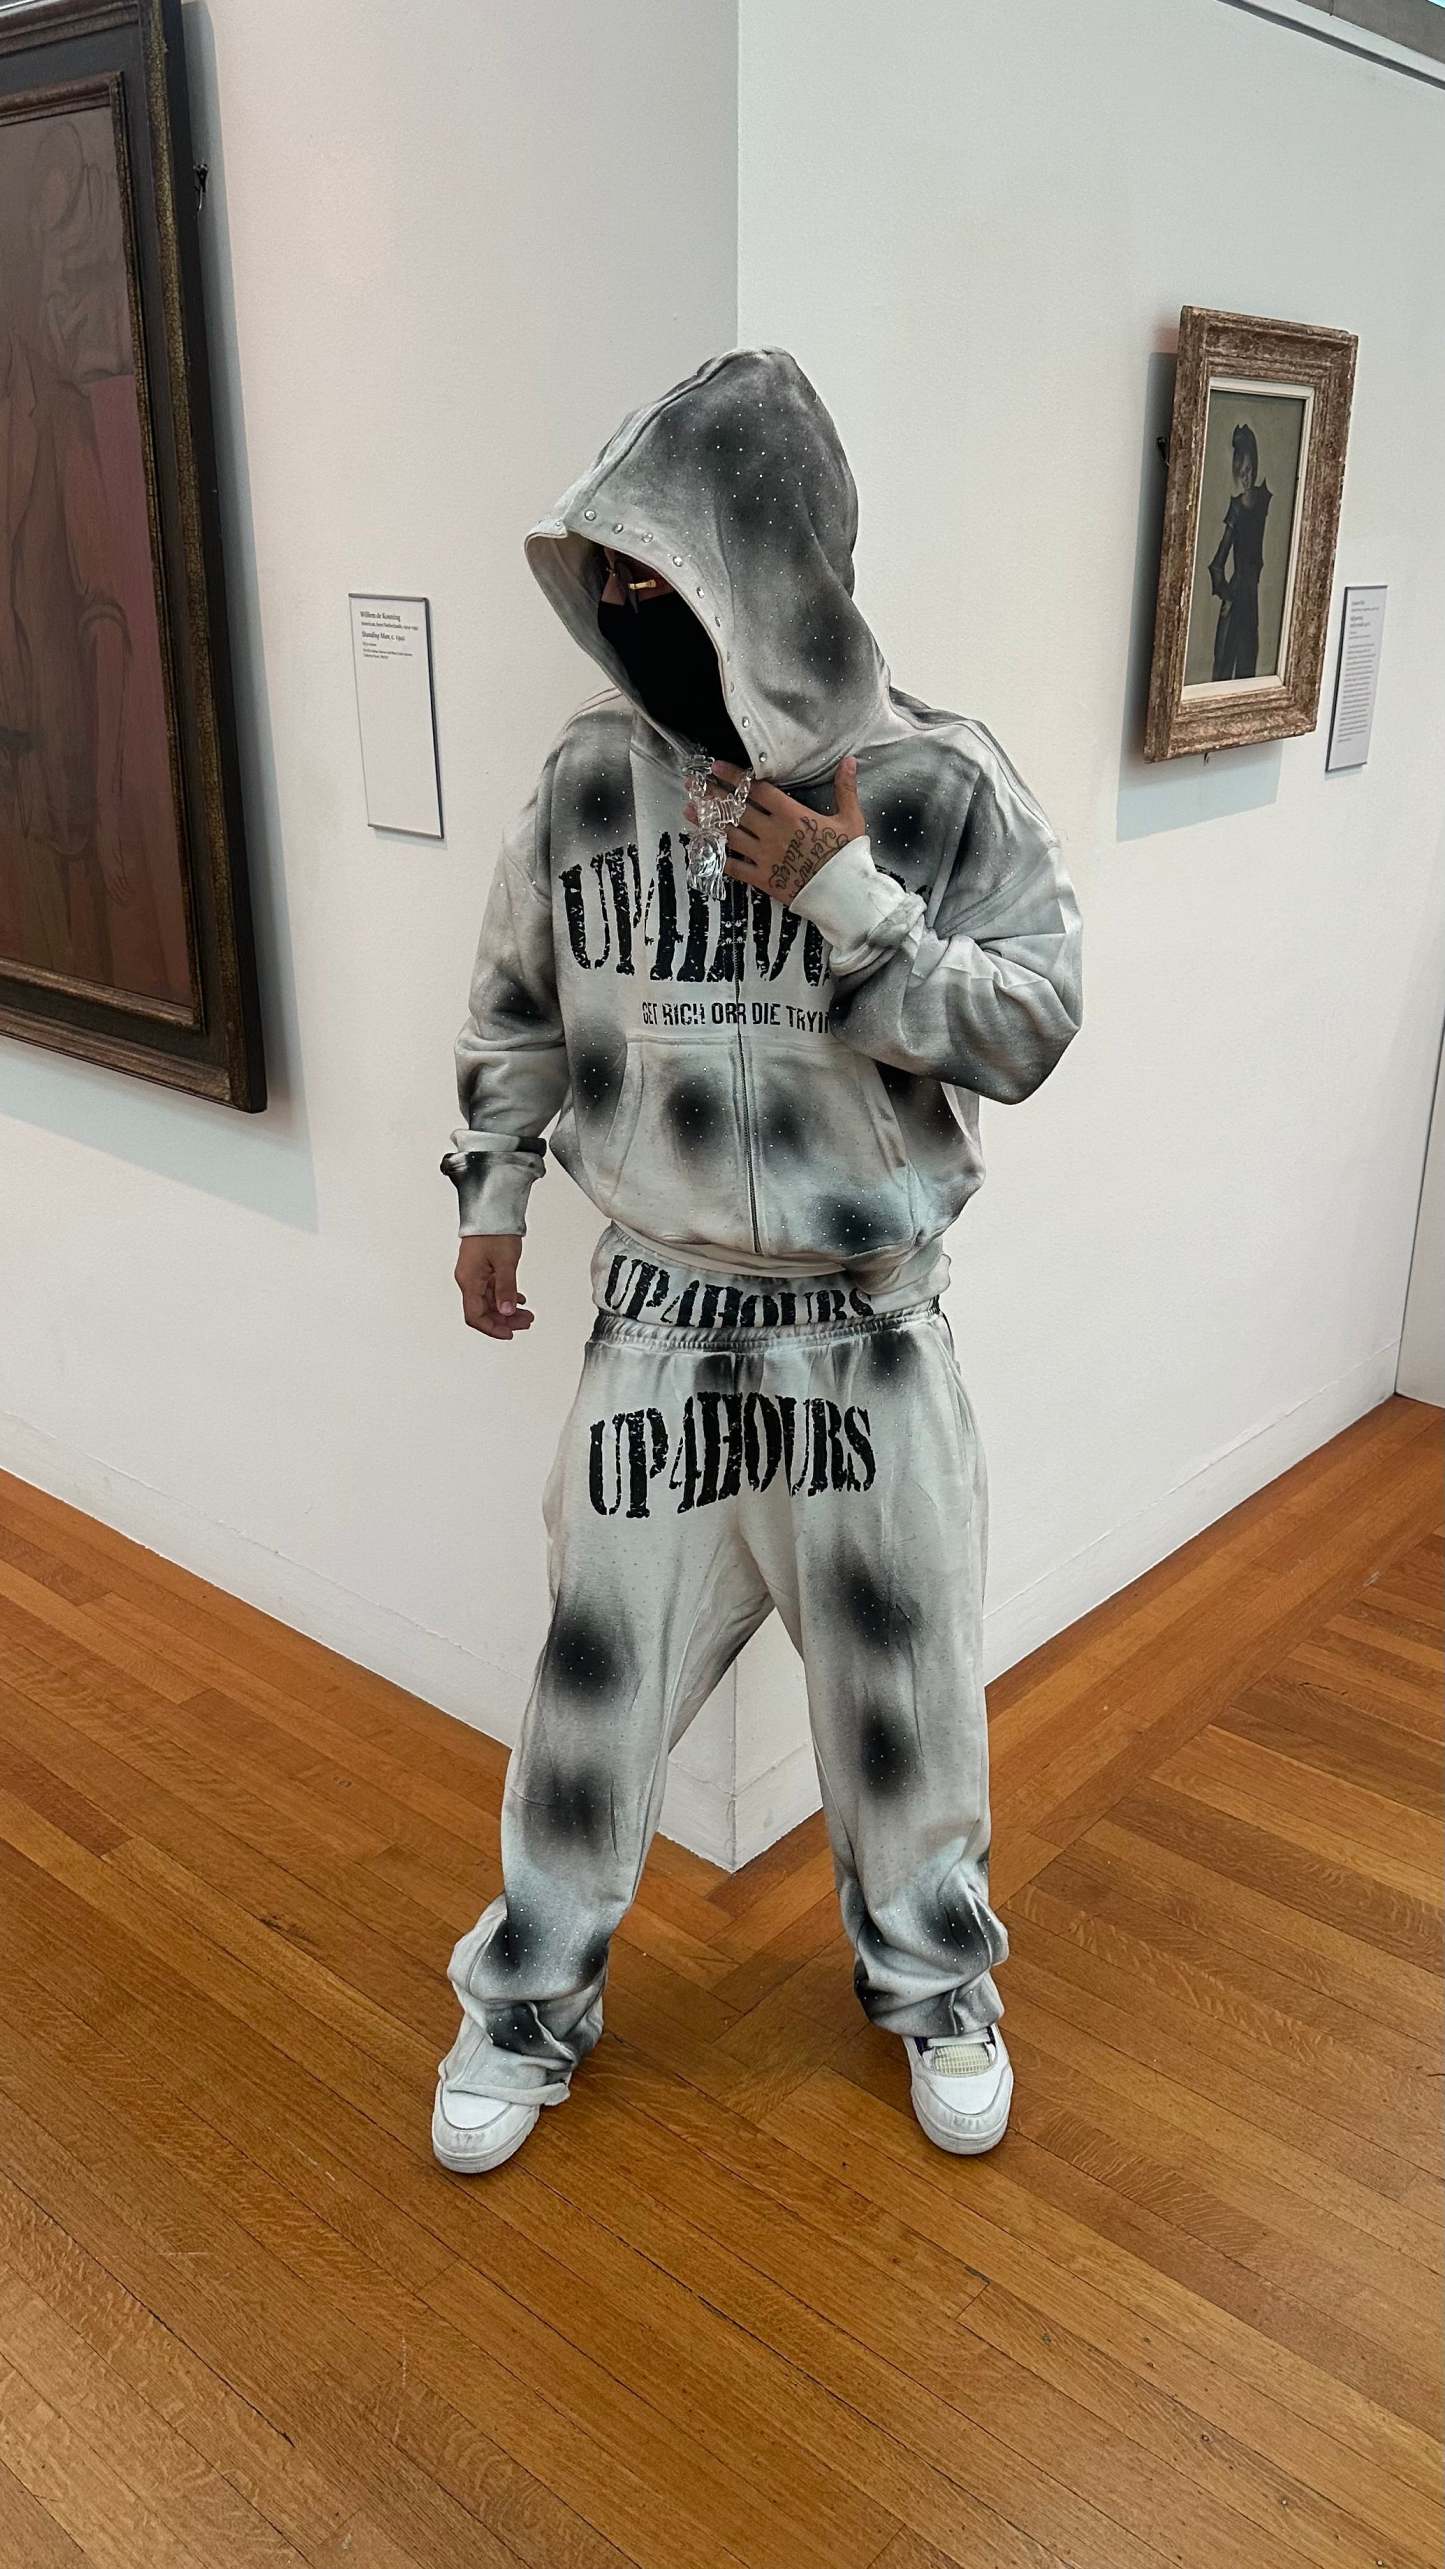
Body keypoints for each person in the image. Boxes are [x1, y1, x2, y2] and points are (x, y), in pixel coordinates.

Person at [433, 347, 1083, 2176]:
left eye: (666, 575)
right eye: (609, 577)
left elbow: (1030, 1023)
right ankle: (524, 2001)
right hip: (657, 1316)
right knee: (594, 1689)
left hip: (864, 1332)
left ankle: (937, 1981)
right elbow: (513, 999)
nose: (629, 611)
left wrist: (847, 895)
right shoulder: (589, 776)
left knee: (906, 1697)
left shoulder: (940, 780)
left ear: (771, 574)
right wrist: (492, 1187)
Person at [1207, 421, 1273, 682]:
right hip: (1236, 597)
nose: (1248, 476)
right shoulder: (1236, 509)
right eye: (1243, 472)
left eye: (1250, 469)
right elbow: (1218, 562)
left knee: (1247, 668)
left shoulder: (1263, 500)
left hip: (1251, 599)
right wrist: (1226, 594)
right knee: (1223, 667)